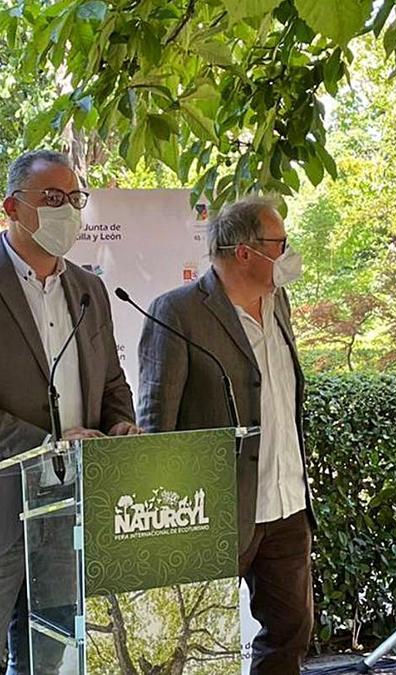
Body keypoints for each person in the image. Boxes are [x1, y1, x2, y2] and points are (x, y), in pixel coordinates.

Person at [0, 149, 138, 674]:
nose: (69, 210)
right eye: (53, 198)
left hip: (65, 513)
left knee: (48, 661)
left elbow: (109, 379)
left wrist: (119, 423)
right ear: (12, 206)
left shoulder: (90, 289)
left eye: (75, 198)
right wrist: (45, 448)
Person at [136, 195, 314, 673]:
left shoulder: (280, 303)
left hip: (287, 504)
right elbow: (157, 422)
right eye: (281, 244)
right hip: (213, 510)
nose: (288, 254)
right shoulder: (177, 312)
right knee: (196, 644)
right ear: (245, 252)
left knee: (291, 632)